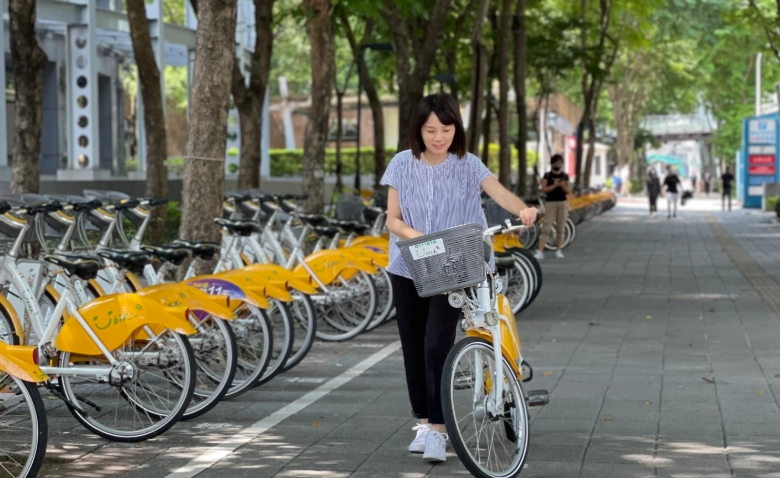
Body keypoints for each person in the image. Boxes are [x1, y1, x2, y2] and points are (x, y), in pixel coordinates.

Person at [381, 93, 538, 464]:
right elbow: (392, 218)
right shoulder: (402, 164)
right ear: (418, 130)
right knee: (413, 347)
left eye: (446, 129)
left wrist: (525, 209)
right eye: (431, 129)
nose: (438, 137)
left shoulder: (468, 165)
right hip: (408, 265)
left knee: (437, 345)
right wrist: (423, 240)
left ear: (457, 129)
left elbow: (498, 192)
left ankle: (439, 430)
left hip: (454, 264)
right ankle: (422, 422)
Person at [535, 154, 569, 260]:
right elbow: (543, 189)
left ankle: (559, 250)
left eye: (559, 163)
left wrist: (562, 185)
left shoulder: (565, 176)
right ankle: (540, 251)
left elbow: (568, 191)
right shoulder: (547, 176)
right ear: (552, 164)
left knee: (561, 227)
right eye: (556, 163)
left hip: (562, 202)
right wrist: (554, 185)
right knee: (546, 226)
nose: (557, 165)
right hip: (550, 202)